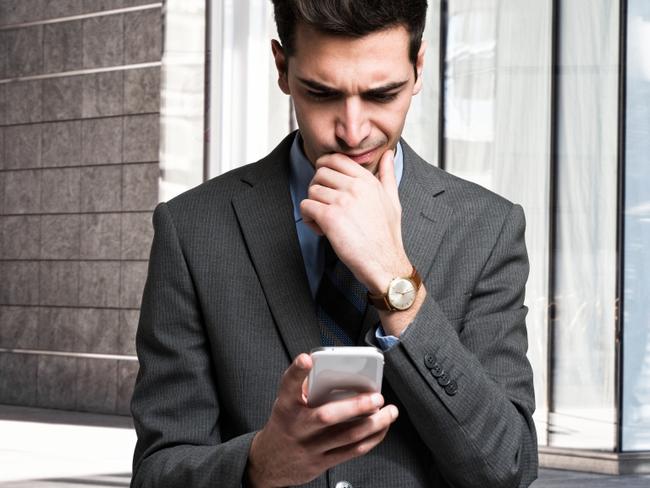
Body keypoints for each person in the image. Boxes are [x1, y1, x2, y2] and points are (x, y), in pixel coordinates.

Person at [130, 0, 538, 486]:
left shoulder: (488, 229)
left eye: (382, 94)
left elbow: (507, 465)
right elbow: (157, 472)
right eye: (322, 94)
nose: (353, 130)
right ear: (282, 68)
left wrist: (394, 280)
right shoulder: (193, 229)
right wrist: (258, 464)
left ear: (419, 68)